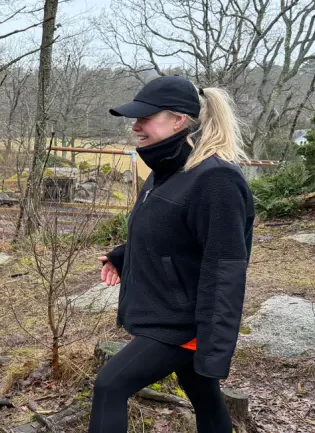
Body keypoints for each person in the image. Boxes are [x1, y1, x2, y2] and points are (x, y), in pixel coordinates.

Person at [89, 76, 255, 433]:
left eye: (145, 117)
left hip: (183, 323)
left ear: (179, 119)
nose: (136, 126)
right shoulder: (168, 170)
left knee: (110, 386)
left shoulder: (216, 179)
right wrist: (123, 256)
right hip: (171, 311)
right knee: (204, 396)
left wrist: (214, 348)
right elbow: (172, 234)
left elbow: (225, 269)